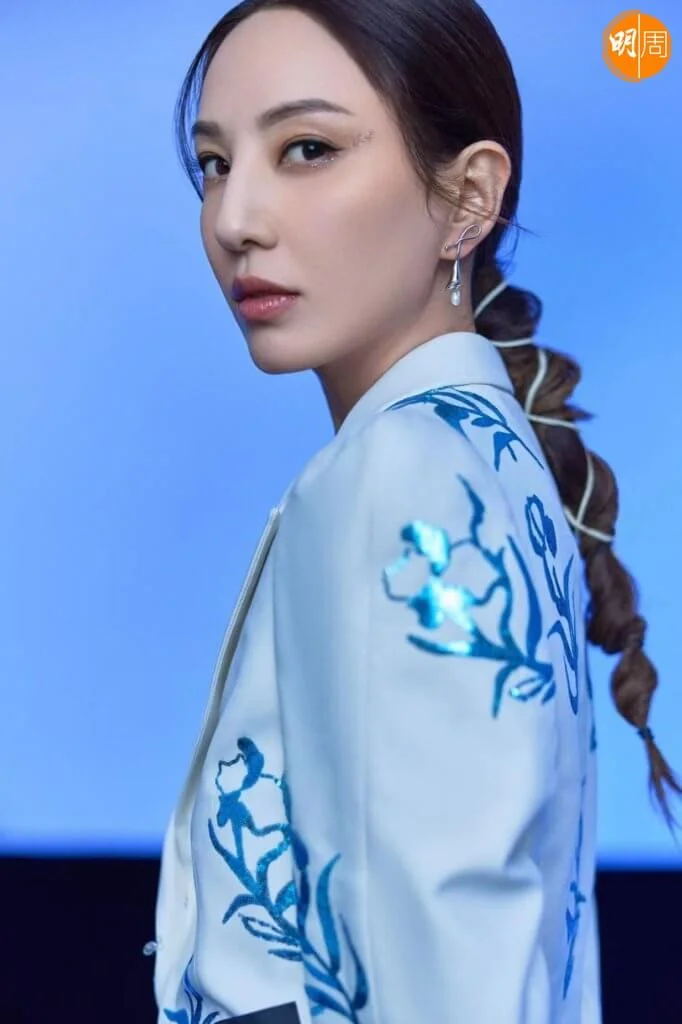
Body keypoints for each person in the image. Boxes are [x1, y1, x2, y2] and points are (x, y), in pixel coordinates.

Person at [150, 1, 680, 1021]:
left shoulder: (406, 474)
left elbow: (455, 942)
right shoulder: (485, 458)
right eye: (214, 163)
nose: (233, 218)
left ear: (468, 197)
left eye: (307, 149)